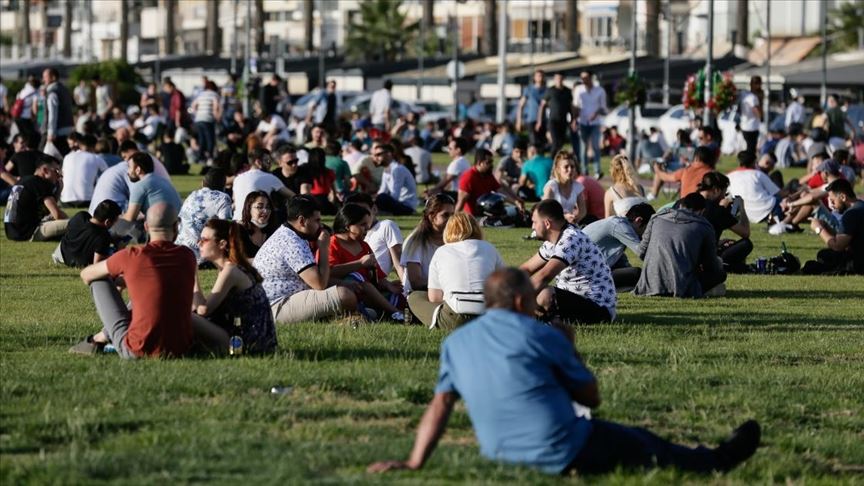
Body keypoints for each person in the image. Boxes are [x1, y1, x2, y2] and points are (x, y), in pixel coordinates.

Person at [368, 268, 761, 476]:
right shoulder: (543, 335)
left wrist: (415, 461)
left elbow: (440, 406)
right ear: (520, 301)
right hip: (563, 450)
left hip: (502, 456)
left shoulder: (456, 343)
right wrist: (570, 348)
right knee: (643, 442)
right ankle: (717, 460)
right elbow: (591, 397)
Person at [71, 203, 229, 357]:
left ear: (146, 227)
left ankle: (98, 339)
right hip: (181, 348)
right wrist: (131, 280)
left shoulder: (132, 255)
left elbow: (86, 274)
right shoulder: (187, 256)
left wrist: (119, 280)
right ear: (176, 227)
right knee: (150, 295)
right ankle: (101, 337)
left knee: (99, 279)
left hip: (137, 349)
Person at [254, 195, 358, 324]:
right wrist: (324, 247)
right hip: (275, 307)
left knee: (346, 289)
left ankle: (339, 317)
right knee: (345, 295)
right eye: (317, 221)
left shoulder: (289, 234)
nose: (320, 226)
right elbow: (320, 284)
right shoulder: (292, 242)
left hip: (273, 302)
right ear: (302, 221)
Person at [519, 200, 616, 323]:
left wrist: (514, 300)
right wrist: (506, 286)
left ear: (547, 224)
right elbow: (527, 269)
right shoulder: (552, 241)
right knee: (537, 292)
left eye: (534, 222)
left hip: (599, 309)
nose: (532, 227)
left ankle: (545, 321)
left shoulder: (571, 239)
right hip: (575, 301)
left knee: (544, 293)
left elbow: (545, 276)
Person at [192, 219, 277, 354]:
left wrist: (193, 276)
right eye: (199, 239)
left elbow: (204, 311)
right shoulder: (232, 268)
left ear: (222, 244)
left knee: (184, 316)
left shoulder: (230, 271)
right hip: (254, 339)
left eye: (204, 240)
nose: (199, 243)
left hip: (246, 343)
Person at [407, 212, 504, 330]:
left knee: (415, 296)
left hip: (454, 315)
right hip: (488, 315)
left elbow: (434, 298)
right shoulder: (490, 248)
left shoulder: (441, 251)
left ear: (448, 230)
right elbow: (505, 286)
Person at [635, 193, 726, 298]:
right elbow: (710, 265)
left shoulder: (656, 218)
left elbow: (641, 252)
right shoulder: (704, 226)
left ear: (681, 205)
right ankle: (700, 289)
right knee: (720, 273)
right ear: (702, 211)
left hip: (649, 284)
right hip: (681, 285)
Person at [327, 204, 405, 322]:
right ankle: (395, 313)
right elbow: (329, 272)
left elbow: (376, 276)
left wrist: (387, 285)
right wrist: (360, 263)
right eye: (362, 224)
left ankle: (380, 312)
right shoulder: (332, 244)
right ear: (348, 226)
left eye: (367, 224)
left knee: (398, 295)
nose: (367, 228)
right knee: (358, 278)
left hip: (368, 293)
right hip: (345, 291)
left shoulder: (363, 245)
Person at [583, 203, 655, 291]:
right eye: (647, 229)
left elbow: (618, 257)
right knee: (636, 273)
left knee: (633, 274)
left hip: (585, 271)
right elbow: (642, 252)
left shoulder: (617, 223)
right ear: (638, 220)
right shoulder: (619, 225)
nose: (646, 234)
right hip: (586, 276)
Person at [112, 152, 182, 239]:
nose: (127, 172)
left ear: (138, 169)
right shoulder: (163, 180)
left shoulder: (140, 185)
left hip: (162, 230)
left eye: (129, 167)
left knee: (118, 226)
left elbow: (130, 217)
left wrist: (117, 219)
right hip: (177, 226)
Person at [803, 179, 863, 275]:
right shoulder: (860, 206)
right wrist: (826, 227)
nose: (832, 205)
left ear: (843, 197)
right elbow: (846, 239)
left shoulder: (851, 214)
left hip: (858, 262)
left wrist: (819, 228)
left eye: (833, 201)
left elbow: (838, 246)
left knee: (811, 266)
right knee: (824, 254)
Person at [695, 172, 752, 273]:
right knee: (746, 244)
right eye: (724, 194)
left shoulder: (684, 202)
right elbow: (745, 233)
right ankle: (726, 265)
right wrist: (742, 208)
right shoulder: (717, 210)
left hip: (684, 253)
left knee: (725, 242)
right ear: (716, 190)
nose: (723, 198)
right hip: (704, 258)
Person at [175, 169, 234, 263]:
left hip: (180, 250)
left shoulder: (192, 195)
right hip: (201, 255)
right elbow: (226, 226)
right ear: (224, 186)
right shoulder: (222, 197)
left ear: (203, 183)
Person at [401, 193, 455, 295]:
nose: (451, 220)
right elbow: (416, 282)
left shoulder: (456, 241)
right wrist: (448, 284)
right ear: (431, 216)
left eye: (453, 215)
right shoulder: (414, 242)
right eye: (445, 215)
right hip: (418, 297)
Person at [3, 157, 68, 241]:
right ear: (45, 170)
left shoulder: (24, 181)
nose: (60, 175)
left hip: (13, 232)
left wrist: (58, 190)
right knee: (78, 223)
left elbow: (48, 212)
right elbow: (57, 214)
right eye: (56, 171)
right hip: (29, 232)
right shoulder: (40, 183)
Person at [345, 192, 405, 282]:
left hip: (373, 281)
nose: (361, 216)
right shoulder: (352, 233)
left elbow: (399, 263)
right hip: (352, 279)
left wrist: (406, 287)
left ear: (374, 209)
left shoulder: (386, 226)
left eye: (364, 211)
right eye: (355, 213)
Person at [456, 148, 523, 217]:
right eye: (488, 162)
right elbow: (461, 200)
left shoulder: (488, 175)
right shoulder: (468, 177)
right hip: (475, 217)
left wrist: (515, 202)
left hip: (489, 212)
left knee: (516, 213)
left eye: (491, 162)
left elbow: (500, 191)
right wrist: (454, 219)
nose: (491, 165)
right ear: (479, 163)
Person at [53, 200, 121, 267]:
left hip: (60, 255)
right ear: (107, 222)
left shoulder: (80, 216)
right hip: (79, 262)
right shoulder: (103, 237)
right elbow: (97, 264)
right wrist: (118, 251)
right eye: (115, 221)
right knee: (113, 252)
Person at [231, 148, 293, 221]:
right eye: (267, 161)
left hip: (236, 221)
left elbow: (234, 202)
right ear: (258, 162)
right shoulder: (269, 177)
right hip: (256, 222)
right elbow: (292, 196)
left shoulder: (237, 178)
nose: (270, 164)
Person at [726, 151, 782, 226]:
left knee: (735, 199)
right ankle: (777, 220)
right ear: (753, 162)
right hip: (765, 209)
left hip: (743, 213)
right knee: (779, 200)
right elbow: (778, 193)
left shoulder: (730, 176)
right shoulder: (758, 174)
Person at [573, 71, 607, 178]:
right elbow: (575, 106)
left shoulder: (600, 91)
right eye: (582, 78)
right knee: (583, 147)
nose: (584, 80)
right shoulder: (579, 90)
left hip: (595, 122)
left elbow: (603, 108)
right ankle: (584, 170)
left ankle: (597, 170)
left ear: (591, 78)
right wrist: (574, 119)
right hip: (582, 122)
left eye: (586, 77)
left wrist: (595, 113)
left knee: (596, 146)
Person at [60, 134, 108, 208]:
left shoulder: (67, 157)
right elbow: (108, 174)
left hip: (65, 200)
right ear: (94, 146)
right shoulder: (95, 158)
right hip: (87, 200)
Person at [652, 146, 717, 199]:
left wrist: (657, 169)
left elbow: (666, 177)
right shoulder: (713, 174)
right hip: (704, 208)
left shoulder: (685, 171)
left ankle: (653, 195)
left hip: (684, 206)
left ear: (696, 158)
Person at [372, 142, 417, 215]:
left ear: (389, 154)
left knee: (382, 197)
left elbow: (395, 195)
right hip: (397, 203)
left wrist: (377, 200)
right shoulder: (386, 170)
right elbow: (383, 190)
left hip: (406, 206)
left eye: (378, 155)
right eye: (374, 155)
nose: (375, 158)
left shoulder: (397, 169)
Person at [537, 73, 576, 157]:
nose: (559, 80)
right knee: (555, 142)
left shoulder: (567, 91)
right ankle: (551, 160)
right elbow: (542, 105)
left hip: (563, 120)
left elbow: (570, 107)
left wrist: (573, 119)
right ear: (554, 80)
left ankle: (557, 160)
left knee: (561, 143)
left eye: (560, 78)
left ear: (563, 79)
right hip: (553, 120)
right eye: (557, 79)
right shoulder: (550, 90)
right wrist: (539, 120)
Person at [542, 150, 586, 224]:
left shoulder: (577, 186)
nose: (570, 170)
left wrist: (575, 219)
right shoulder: (551, 186)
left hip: (570, 224)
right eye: (566, 167)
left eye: (572, 167)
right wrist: (564, 217)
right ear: (558, 169)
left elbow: (583, 211)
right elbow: (545, 210)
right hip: (552, 224)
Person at [41, 68, 75, 156]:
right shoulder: (65, 89)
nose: (43, 80)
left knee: (42, 157)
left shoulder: (53, 93)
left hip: (57, 130)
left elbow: (53, 114)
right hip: (68, 127)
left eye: (45, 77)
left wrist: (51, 133)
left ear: (53, 77)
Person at [238, 191, 279, 259]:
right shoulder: (238, 230)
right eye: (259, 207)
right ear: (249, 208)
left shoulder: (274, 232)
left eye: (268, 207)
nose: (265, 211)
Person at [190, 80, 222, 164]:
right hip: (208, 119)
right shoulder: (214, 94)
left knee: (202, 139)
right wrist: (217, 118)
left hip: (198, 119)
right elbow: (215, 107)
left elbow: (193, 105)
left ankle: (200, 157)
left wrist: (197, 114)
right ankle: (210, 157)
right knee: (210, 139)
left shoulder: (201, 94)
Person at [515, 69, 547, 146]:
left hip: (543, 120)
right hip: (531, 119)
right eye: (538, 76)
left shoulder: (546, 90)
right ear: (534, 78)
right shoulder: (528, 89)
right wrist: (519, 120)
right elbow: (521, 105)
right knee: (533, 142)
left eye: (542, 76)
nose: (540, 78)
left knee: (542, 143)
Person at [304, 147, 338, 215]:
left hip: (311, 201)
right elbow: (333, 191)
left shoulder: (305, 172)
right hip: (324, 201)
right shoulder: (329, 172)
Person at [739, 76, 763, 156]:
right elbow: (756, 110)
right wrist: (761, 117)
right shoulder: (753, 97)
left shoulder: (744, 94)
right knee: (751, 147)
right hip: (752, 126)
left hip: (744, 124)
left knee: (749, 146)